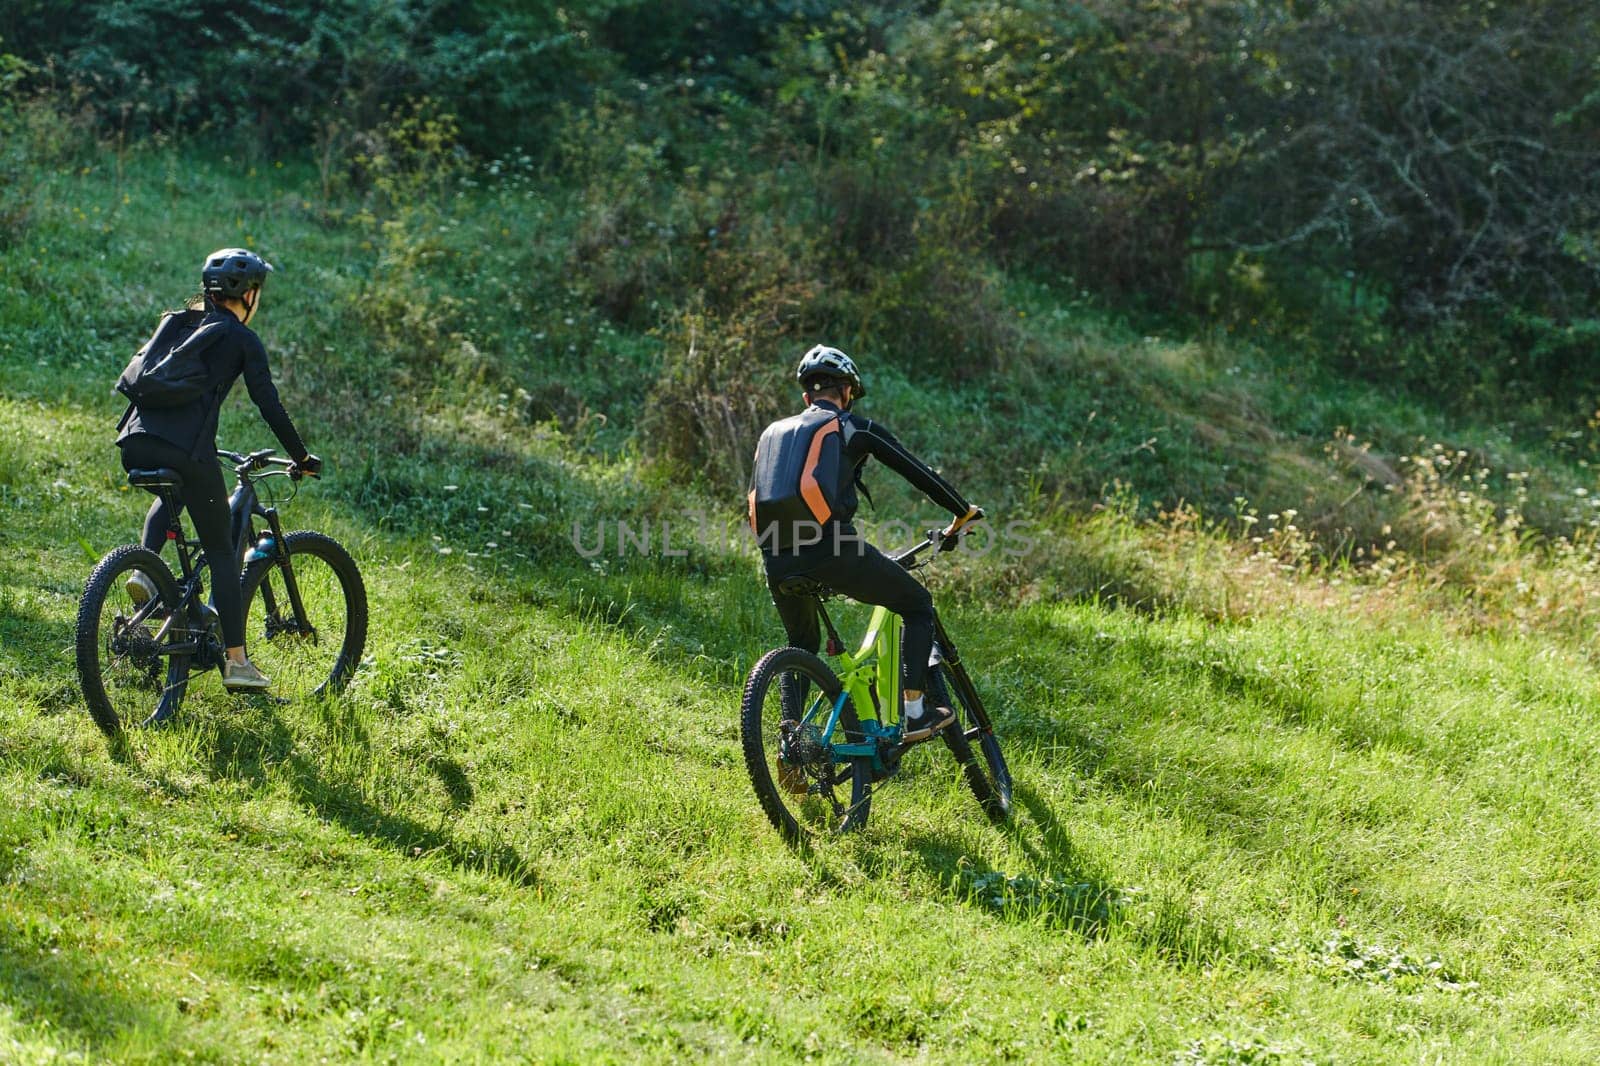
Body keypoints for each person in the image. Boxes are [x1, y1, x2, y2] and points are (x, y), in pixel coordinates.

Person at [750, 344, 983, 741]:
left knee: (802, 643)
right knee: (917, 605)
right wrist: (961, 511)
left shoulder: (773, 433)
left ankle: (792, 742)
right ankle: (915, 712)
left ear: (807, 396)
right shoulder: (852, 427)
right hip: (831, 550)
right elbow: (916, 471)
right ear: (847, 392)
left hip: (775, 558)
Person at [115, 248, 320, 691]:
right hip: (186, 450)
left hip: (134, 442)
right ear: (248, 295)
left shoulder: (176, 322)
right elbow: (270, 404)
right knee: (224, 552)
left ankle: (143, 573)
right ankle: (237, 662)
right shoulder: (241, 339)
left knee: (167, 496)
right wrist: (301, 457)